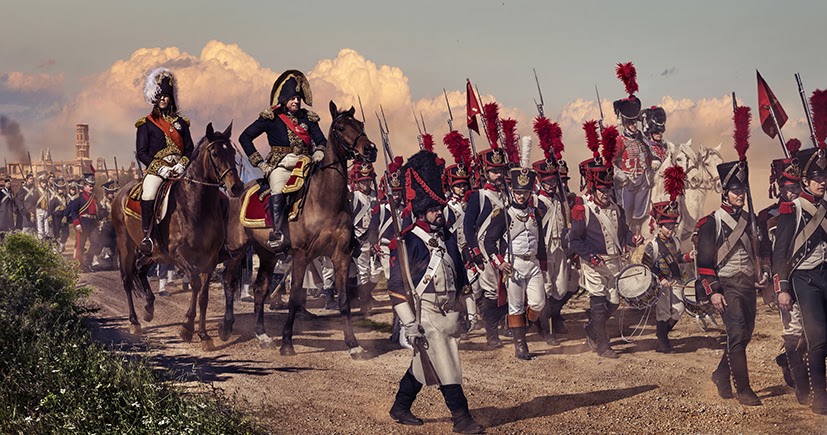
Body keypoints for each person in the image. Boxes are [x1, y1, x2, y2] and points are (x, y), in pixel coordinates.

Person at [387, 150, 483, 434]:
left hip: (450, 309)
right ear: (421, 210)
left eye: (439, 208)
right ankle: (461, 417)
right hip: (426, 310)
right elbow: (396, 286)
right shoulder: (408, 242)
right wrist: (409, 323)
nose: (439, 213)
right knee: (446, 360)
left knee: (422, 364)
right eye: (433, 209)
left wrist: (471, 307)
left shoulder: (449, 237)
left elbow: (462, 276)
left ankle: (400, 406)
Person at [697, 158, 766, 406]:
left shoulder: (751, 220)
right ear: (725, 193)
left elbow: (762, 252)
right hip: (725, 284)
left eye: (743, 191)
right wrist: (713, 291)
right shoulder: (712, 223)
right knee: (736, 332)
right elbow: (704, 262)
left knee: (745, 334)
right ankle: (744, 389)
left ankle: (720, 375)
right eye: (736, 191)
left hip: (747, 285)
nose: (741, 195)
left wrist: (763, 272)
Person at [239, 70, 327, 250]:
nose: (296, 101)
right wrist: (260, 163)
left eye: (298, 98)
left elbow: (322, 141)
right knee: (278, 187)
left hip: (306, 163)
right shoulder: (271, 117)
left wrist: (319, 151)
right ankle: (277, 232)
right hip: (281, 165)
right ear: (284, 99)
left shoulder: (307, 119)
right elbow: (245, 137)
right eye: (292, 98)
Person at [570, 128, 639, 359]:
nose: (606, 194)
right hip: (594, 264)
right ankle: (603, 345)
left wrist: (632, 239)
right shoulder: (583, 209)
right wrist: (591, 257)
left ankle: (591, 329)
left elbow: (624, 233)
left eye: (608, 189)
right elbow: (574, 241)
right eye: (602, 190)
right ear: (594, 188)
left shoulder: (616, 209)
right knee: (598, 306)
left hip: (614, 263)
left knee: (614, 303)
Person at [773, 142, 827, 415]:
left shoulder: (825, 207)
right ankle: (820, 395)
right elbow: (779, 253)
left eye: (825, 176)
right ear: (805, 180)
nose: (822, 181)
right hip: (804, 279)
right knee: (817, 336)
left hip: (825, 274)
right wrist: (782, 288)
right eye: (817, 176)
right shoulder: (791, 210)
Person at [757, 140, 808, 404]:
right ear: (779, 187)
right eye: (789, 188)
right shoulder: (767, 216)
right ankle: (799, 379)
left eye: (797, 187)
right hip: (785, 280)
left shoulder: (812, 210)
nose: (793, 193)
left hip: (812, 277)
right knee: (796, 330)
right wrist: (769, 277)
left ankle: (790, 360)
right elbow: (765, 251)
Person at [484, 163, 547, 360]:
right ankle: (520, 346)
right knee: (516, 306)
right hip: (514, 266)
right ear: (512, 190)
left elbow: (541, 241)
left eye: (525, 192)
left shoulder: (536, 212)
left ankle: (521, 329)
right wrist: (500, 263)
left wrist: (543, 263)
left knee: (538, 303)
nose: (521, 196)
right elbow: (489, 241)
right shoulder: (503, 214)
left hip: (533, 264)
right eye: (518, 192)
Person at [135, 67, 194, 255]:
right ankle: (148, 237)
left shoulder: (182, 123)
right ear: (154, 97)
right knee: (149, 193)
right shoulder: (146, 124)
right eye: (160, 95)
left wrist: (182, 163)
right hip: (157, 171)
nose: (163, 99)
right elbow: (142, 153)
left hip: (179, 167)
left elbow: (190, 148)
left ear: (171, 98)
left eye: (166, 96)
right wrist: (160, 169)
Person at [641, 165, 694, 353]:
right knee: (663, 313)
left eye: (672, 226)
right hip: (661, 284)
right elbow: (646, 267)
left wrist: (688, 257)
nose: (670, 229)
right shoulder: (652, 245)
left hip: (676, 281)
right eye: (667, 226)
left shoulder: (676, 241)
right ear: (659, 226)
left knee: (678, 309)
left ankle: (662, 334)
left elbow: (677, 258)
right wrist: (660, 279)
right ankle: (662, 341)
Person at [463, 145, 509, 348]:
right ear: (485, 173)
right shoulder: (478, 196)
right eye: (494, 171)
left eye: (501, 170)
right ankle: (492, 334)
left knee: (510, 289)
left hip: (508, 248)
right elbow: (468, 226)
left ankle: (506, 324)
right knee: (491, 292)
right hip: (485, 249)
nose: (498, 175)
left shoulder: (510, 193)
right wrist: (474, 251)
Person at [533, 143, 578, 345]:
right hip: (543, 252)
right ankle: (545, 329)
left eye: (554, 180)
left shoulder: (560, 201)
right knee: (546, 289)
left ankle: (550, 318)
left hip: (560, 249)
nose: (551, 184)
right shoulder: (535, 202)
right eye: (548, 181)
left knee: (560, 288)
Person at [612, 62, 652, 236]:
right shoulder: (620, 141)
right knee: (627, 214)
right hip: (626, 184)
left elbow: (651, 156)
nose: (633, 125)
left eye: (634, 122)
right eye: (629, 122)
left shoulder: (643, 138)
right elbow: (610, 162)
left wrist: (655, 164)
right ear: (624, 123)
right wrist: (621, 176)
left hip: (643, 183)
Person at [349, 158, 380, 313]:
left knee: (377, 272)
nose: (365, 184)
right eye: (363, 181)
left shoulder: (376, 196)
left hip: (374, 239)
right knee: (363, 272)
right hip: (359, 239)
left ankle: (365, 294)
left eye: (368, 181)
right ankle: (364, 303)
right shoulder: (353, 197)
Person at [66, 169, 99, 272]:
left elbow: (97, 211)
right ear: (84, 186)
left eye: (92, 186)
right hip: (83, 223)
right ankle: (79, 265)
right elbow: (74, 212)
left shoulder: (94, 198)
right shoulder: (78, 199)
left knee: (96, 243)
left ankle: (88, 262)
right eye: (89, 186)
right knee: (81, 245)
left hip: (93, 224)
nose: (91, 188)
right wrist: (77, 224)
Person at [48, 177, 71, 252]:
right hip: (56, 217)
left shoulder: (66, 198)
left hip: (63, 216)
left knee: (66, 233)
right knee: (56, 233)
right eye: (60, 189)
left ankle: (62, 244)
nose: (61, 190)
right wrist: (50, 217)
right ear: (57, 189)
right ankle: (55, 249)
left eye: (62, 188)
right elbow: (50, 209)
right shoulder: (54, 199)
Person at [35, 173, 52, 240]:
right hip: (39, 210)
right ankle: (40, 243)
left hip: (46, 210)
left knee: (47, 229)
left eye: (45, 182)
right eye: (43, 182)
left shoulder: (47, 191)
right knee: (40, 229)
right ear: (40, 183)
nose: (44, 184)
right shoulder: (37, 191)